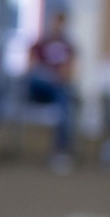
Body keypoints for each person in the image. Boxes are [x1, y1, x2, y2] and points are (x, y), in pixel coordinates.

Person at [27, 10, 77, 172]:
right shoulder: (39, 44)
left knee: (64, 102)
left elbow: (70, 72)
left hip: (57, 90)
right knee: (42, 76)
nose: (57, 25)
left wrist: (62, 74)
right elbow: (31, 68)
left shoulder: (69, 48)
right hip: (39, 88)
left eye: (60, 22)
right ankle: (61, 151)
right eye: (55, 21)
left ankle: (60, 151)